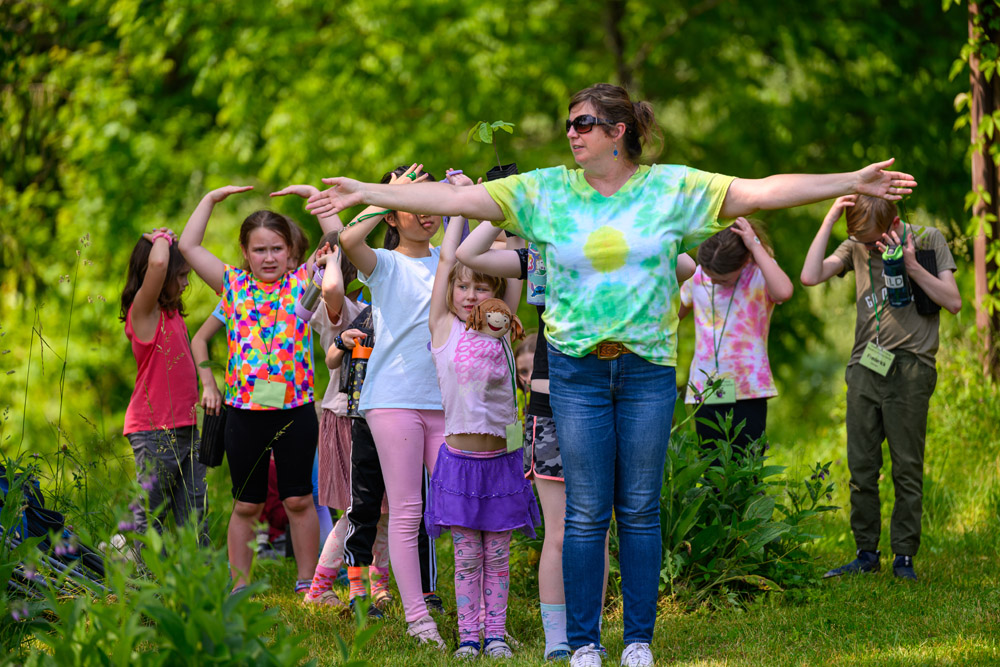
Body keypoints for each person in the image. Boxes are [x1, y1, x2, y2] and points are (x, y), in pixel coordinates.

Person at [306, 83, 917, 667]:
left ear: (618, 132)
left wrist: (850, 181)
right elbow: (453, 202)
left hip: (648, 369)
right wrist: (369, 191)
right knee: (584, 513)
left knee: (640, 509)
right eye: (569, 124)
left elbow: (759, 192)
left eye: (583, 124)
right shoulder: (547, 191)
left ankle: (639, 640)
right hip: (574, 372)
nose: (571, 134)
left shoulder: (670, 188)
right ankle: (584, 642)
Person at [456, 224, 694, 662]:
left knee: (599, 529)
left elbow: (685, 263)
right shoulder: (547, 252)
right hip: (553, 405)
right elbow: (472, 254)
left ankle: (595, 636)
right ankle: (558, 640)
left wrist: (637, 232)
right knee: (565, 531)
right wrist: (502, 208)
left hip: (616, 394)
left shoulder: (625, 253)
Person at [179, 185, 337, 593]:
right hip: (244, 413)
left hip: (296, 409)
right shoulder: (232, 286)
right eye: (260, 250)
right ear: (245, 254)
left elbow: (339, 241)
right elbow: (189, 246)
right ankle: (239, 586)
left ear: (290, 253)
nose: (269, 258)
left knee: (299, 499)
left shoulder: (306, 281)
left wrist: (316, 197)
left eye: (277, 249)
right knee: (246, 504)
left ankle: (309, 584)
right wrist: (210, 200)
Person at [801, 194, 960, 581]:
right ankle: (866, 553)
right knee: (861, 467)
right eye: (861, 239)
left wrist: (910, 267)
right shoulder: (856, 244)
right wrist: (830, 218)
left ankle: (903, 556)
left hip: (911, 367)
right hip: (865, 366)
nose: (869, 246)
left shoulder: (928, 240)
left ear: (891, 226)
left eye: (874, 239)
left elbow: (952, 301)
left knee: (906, 466)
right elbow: (810, 276)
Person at [335, 164, 449, 647]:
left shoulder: (452, 257)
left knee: (457, 509)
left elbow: (495, 239)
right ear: (394, 219)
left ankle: (476, 613)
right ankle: (419, 619)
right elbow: (347, 239)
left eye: (431, 204)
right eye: (414, 207)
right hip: (393, 400)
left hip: (449, 402)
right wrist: (387, 193)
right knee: (406, 511)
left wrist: (464, 193)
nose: (426, 214)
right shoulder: (383, 263)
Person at [423, 182, 537, 659]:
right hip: (461, 463)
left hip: (502, 463)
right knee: (467, 557)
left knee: (499, 556)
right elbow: (448, 260)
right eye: (464, 287)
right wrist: (463, 205)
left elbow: (516, 260)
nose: (471, 295)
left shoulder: (501, 325)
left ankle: (495, 633)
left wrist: (500, 204)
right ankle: (469, 635)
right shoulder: (443, 327)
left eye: (481, 287)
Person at [120, 228, 207, 542]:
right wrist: (161, 238)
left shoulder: (173, 316)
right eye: (181, 275)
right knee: (150, 515)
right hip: (154, 431)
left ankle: (201, 581)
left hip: (186, 427)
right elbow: (157, 265)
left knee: (195, 511)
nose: (186, 282)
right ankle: (140, 581)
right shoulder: (144, 314)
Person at [679, 217, 793, 454]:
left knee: (747, 461)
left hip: (748, 386)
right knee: (711, 463)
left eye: (723, 279)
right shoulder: (699, 276)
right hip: (706, 386)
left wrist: (754, 245)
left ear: (743, 262)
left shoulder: (758, 274)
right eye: (711, 276)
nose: (714, 282)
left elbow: (784, 291)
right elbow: (672, 315)